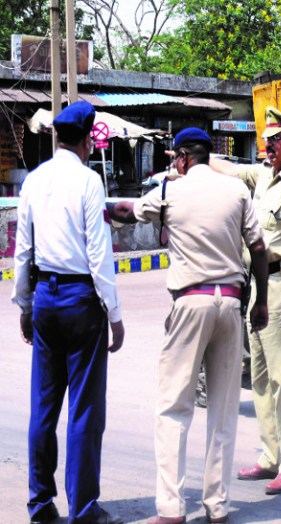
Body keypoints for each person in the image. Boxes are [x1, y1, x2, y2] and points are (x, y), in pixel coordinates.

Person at [106, 128, 269, 524]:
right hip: (230, 303)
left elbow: (128, 212)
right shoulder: (236, 191)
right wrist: (261, 301)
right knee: (224, 410)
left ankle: (171, 508)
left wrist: (98, 207)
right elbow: (259, 249)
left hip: (190, 302)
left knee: (173, 408)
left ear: (181, 158)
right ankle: (218, 506)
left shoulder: (169, 191)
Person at [11, 100, 125, 524]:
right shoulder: (89, 182)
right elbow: (99, 256)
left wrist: (25, 305)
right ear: (88, 142)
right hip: (80, 300)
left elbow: (23, 251)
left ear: (57, 137)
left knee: (44, 406)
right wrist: (114, 314)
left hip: (45, 297)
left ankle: (40, 504)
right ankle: (83, 508)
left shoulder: (35, 181)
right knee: (83, 408)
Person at [210, 106, 281, 495]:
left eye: (275, 142)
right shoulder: (264, 176)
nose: (268, 148)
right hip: (256, 287)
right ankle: (270, 454)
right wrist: (199, 156)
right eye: (266, 143)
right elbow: (233, 170)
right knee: (259, 375)